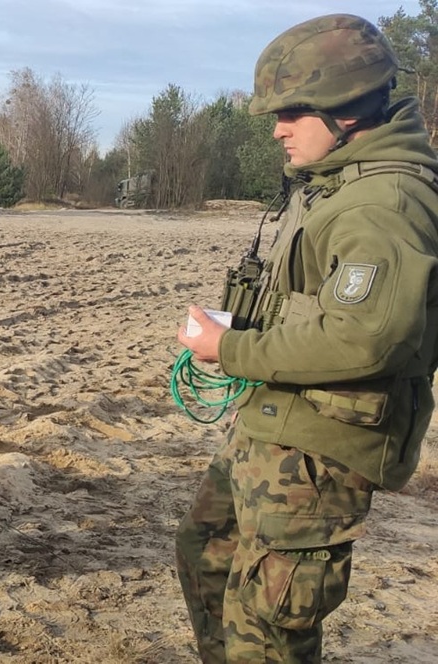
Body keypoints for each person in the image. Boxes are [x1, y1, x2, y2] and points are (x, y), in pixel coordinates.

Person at [175, 14, 438, 663]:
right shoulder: (338, 185)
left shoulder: (383, 202)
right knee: (206, 554)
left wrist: (228, 350)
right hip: (276, 419)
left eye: (294, 110)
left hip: (316, 453)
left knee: (267, 628)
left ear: (349, 108)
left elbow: (365, 337)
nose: (276, 128)